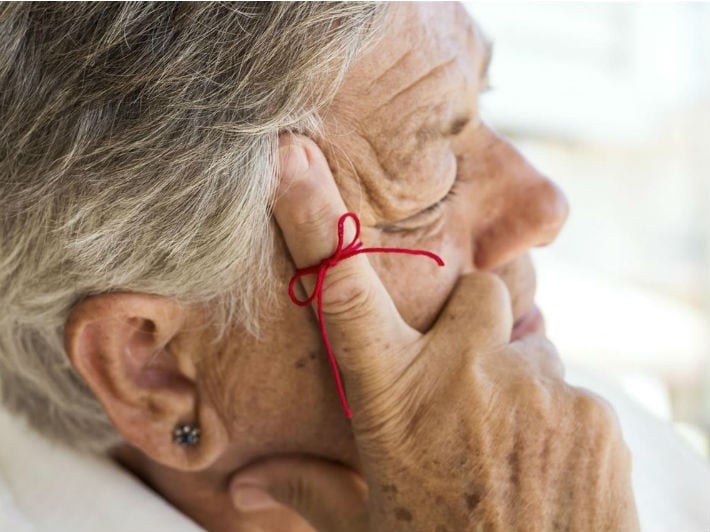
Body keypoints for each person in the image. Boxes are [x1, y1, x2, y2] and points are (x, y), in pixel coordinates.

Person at [0, 3, 708, 531]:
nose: (544, 206)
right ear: (153, 370)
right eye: (428, 173)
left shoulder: (563, 436)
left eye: (483, 105)